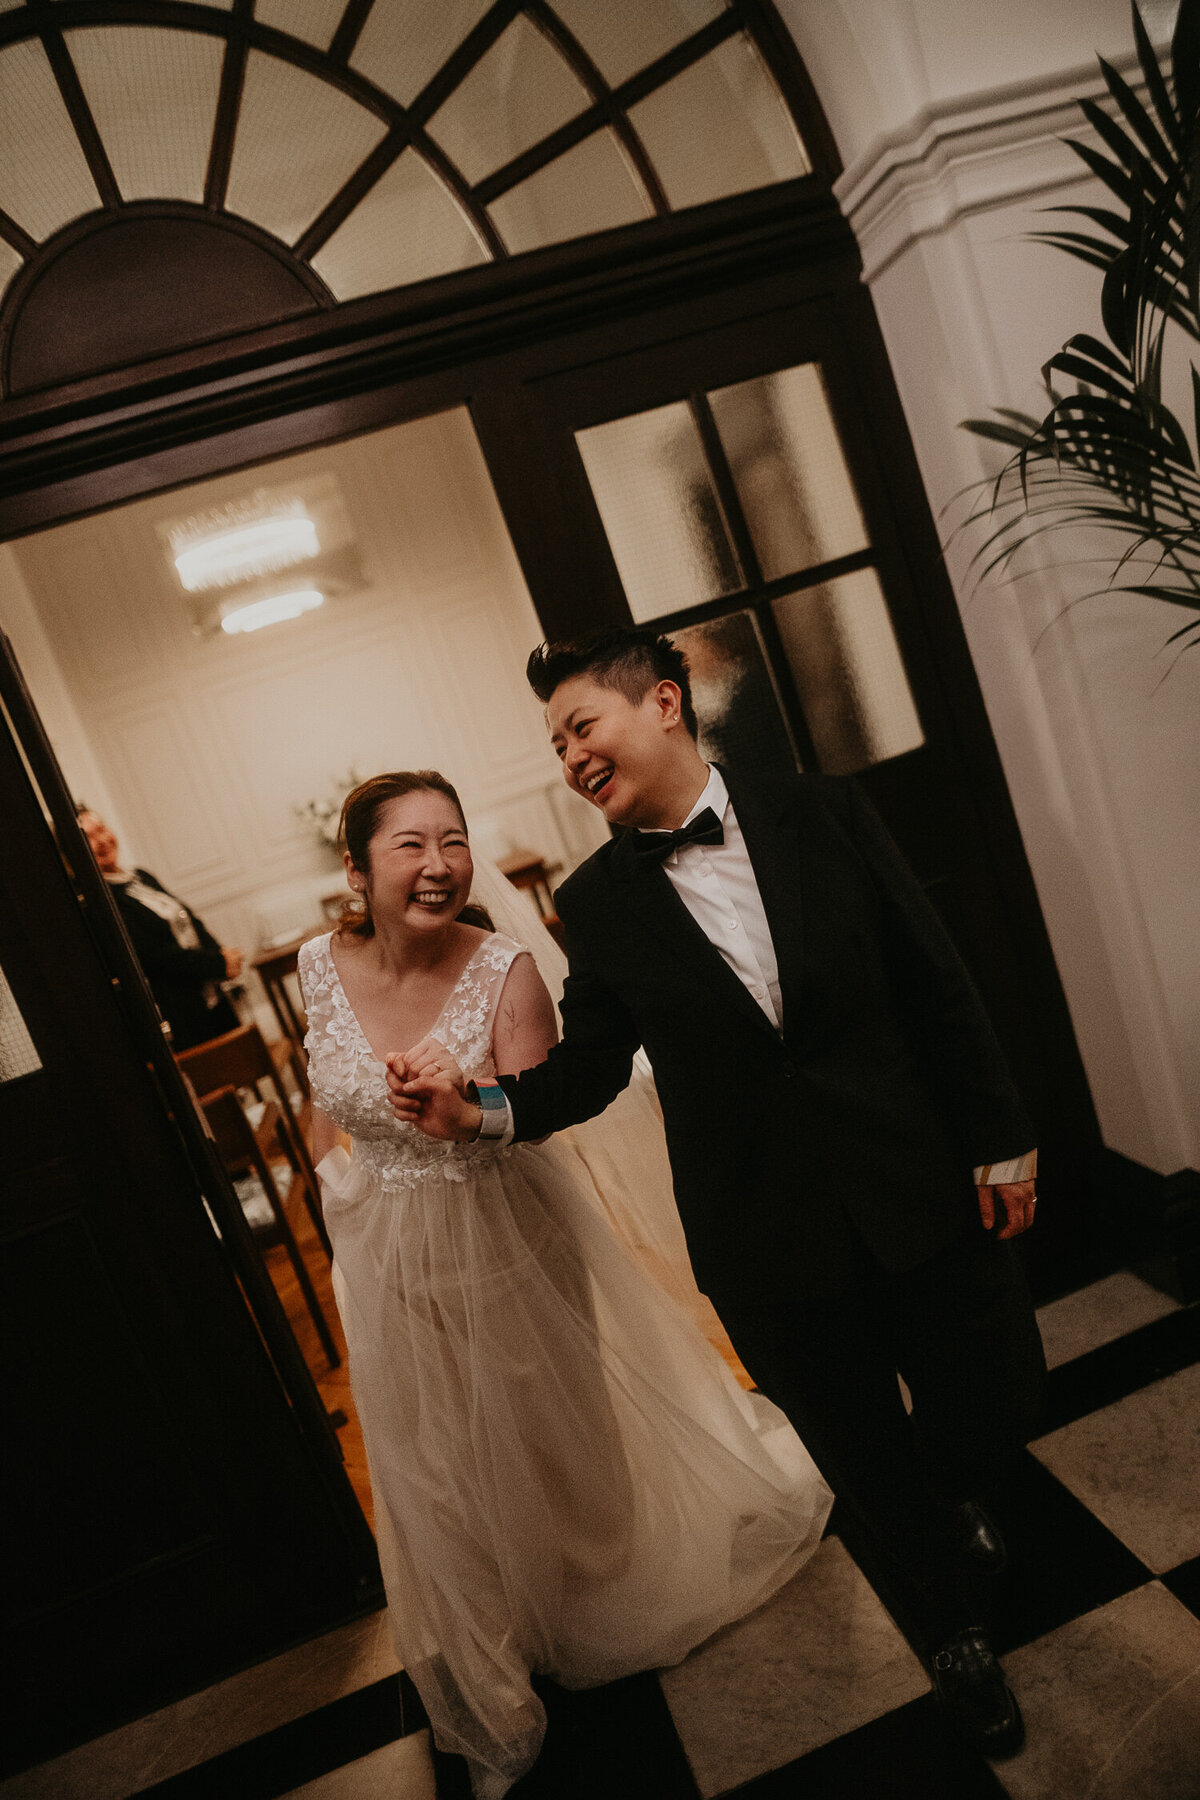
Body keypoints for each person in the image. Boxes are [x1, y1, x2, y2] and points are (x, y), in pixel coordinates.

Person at [389, 628, 1046, 1760]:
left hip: (917, 1184)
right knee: (858, 1457)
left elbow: (934, 977)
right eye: (554, 745)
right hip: (767, 1236)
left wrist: (1002, 1140)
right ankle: (952, 1645)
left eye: (581, 726)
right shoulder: (597, 903)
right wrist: (481, 1110)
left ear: (665, 702)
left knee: (984, 1404)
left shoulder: (825, 814)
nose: (570, 759)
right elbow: (590, 1063)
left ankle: (956, 1508)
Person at [296, 771, 831, 1800]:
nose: (440, 863)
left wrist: (465, 1099)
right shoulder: (322, 966)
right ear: (355, 871)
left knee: (543, 1426)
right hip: (380, 1245)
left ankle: (583, 1593)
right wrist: (336, 1186)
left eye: (452, 840)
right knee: (430, 1453)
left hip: (500, 1228)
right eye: (410, 845)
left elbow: (542, 1104)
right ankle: (489, 1649)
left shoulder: (504, 969)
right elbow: (329, 1095)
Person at [77, 808, 243, 1050]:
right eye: (89, 837)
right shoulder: (100, 902)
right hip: (178, 1005)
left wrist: (221, 955)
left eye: (101, 829)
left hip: (208, 989)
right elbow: (155, 955)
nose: (102, 840)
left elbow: (188, 919)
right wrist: (217, 963)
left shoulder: (141, 876)